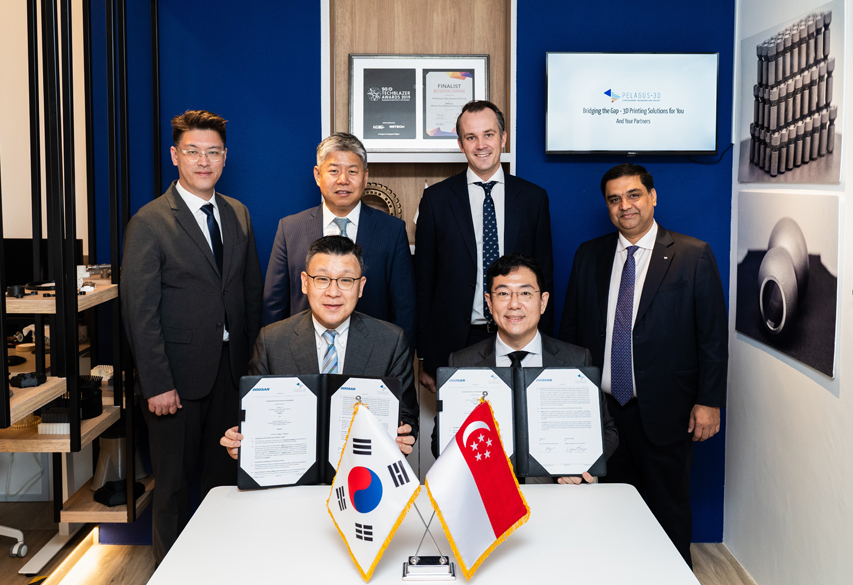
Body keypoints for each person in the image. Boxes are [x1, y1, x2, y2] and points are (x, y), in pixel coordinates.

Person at [558, 163, 728, 566]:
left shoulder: (692, 254)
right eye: (615, 199)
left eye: (634, 195)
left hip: (668, 409)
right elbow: (571, 333)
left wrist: (710, 401)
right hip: (604, 412)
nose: (625, 206)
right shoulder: (590, 255)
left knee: (669, 511)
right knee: (608, 511)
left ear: (653, 197)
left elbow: (712, 337)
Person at [120, 110, 263, 564]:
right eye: (193, 152)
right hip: (175, 383)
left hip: (230, 373)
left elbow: (250, 295)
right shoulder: (150, 222)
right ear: (175, 156)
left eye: (213, 152)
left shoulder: (237, 212)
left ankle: (221, 569)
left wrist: (255, 373)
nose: (204, 161)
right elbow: (139, 311)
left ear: (225, 157)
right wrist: (158, 382)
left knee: (226, 486)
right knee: (175, 490)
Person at [221, 235, 419, 460]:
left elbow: (406, 416)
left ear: (361, 286)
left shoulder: (391, 341)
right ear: (305, 282)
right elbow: (256, 420)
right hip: (291, 477)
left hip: (364, 476)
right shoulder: (272, 341)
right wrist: (241, 441)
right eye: (322, 279)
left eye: (345, 281)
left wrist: (405, 434)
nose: (333, 292)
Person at [438, 254, 618, 484]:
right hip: (487, 495)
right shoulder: (461, 363)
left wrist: (584, 466)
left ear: (542, 302)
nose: (514, 304)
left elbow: (607, 431)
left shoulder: (576, 359)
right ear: (489, 302)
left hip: (559, 493)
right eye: (503, 293)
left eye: (525, 293)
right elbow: (440, 441)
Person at [415, 100, 553, 393]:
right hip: (456, 341)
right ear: (460, 143)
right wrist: (425, 356)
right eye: (471, 137)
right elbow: (423, 282)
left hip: (520, 336)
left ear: (503, 139)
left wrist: (546, 345)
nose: (481, 145)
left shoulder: (533, 199)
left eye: (489, 134)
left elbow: (545, 276)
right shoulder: (436, 201)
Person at [261, 133, 416, 348]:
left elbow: (404, 307)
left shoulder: (391, 230)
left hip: (373, 354)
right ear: (317, 175)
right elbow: (274, 306)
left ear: (365, 176)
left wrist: (399, 362)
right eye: (333, 171)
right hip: (302, 352)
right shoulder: (290, 229)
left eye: (352, 171)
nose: (343, 179)